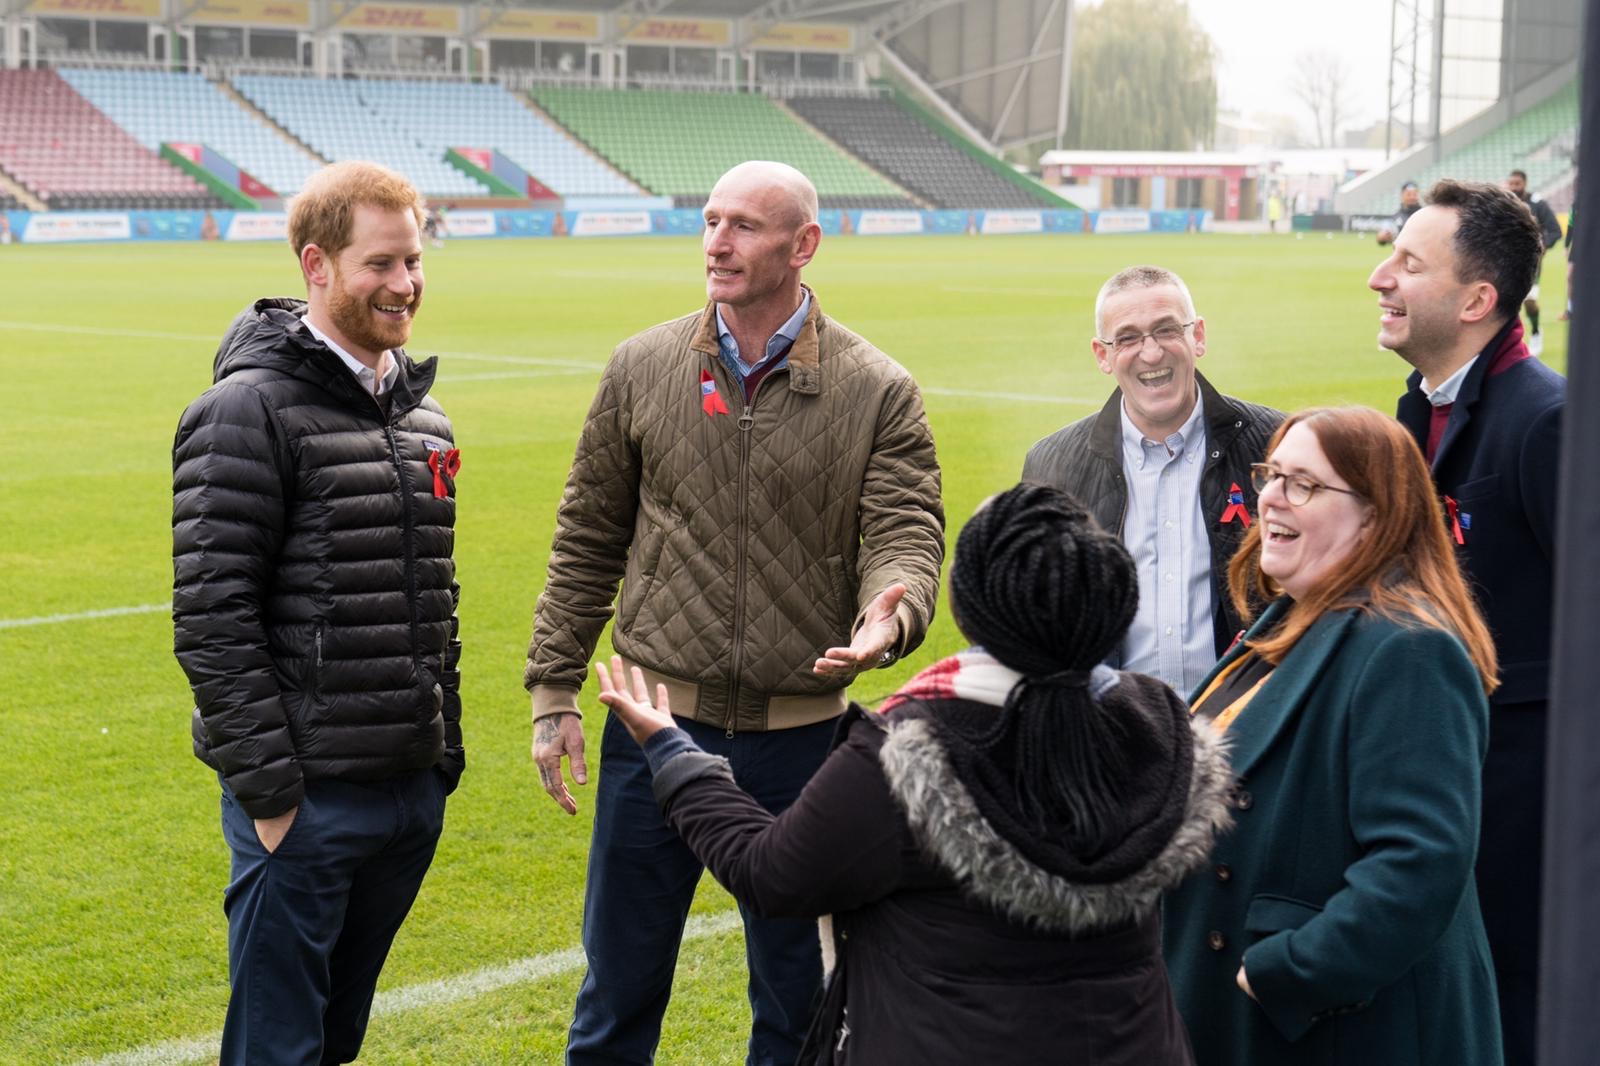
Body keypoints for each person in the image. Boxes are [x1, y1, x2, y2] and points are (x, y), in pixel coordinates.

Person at [524, 159, 945, 1065]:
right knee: (618, 990)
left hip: (804, 746)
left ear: (805, 245)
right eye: (711, 220)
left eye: (746, 225)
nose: (718, 241)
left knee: (798, 1003)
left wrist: (888, 617)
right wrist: (554, 687)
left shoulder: (879, 388)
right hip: (653, 727)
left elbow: (906, 533)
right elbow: (587, 536)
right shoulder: (642, 365)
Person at [595, 483, 1233, 1065]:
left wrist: (674, 755)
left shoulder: (905, 753)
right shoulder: (1157, 723)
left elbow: (770, 874)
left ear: (971, 606)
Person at [171, 161, 462, 1066]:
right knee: (276, 1049)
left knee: (334, 1042)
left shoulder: (425, 421)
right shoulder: (243, 412)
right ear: (317, 265)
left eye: (413, 260)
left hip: (404, 793)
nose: (404, 284)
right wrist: (272, 800)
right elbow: (213, 616)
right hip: (305, 803)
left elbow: (429, 601)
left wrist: (438, 763)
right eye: (380, 264)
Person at [1164, 406, 1503, 1066]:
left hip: (1341, 1030)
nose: (1269, 497)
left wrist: (1285, 971)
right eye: (1272, 475)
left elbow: (1418, 864)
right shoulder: (1289, 618)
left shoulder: (1408, 648)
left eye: (1304, 485)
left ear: (1375, 516)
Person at [1370, 177, 1563, 1066]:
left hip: (1525, 818)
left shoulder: (1546, 423)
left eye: (1409, 264)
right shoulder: (1418, 411)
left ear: (1479, 300)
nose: (1381, 278)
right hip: (1446, 791)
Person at [1022, 265, 1282, 696]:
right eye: (1127, 338)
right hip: (1115, 737)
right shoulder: (1051, 465)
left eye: (1166, 330)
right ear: (1102, 355)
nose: (1151, 352)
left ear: (1197, 336)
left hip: (1244, 728)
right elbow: (1036, 616)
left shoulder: (1275, 447)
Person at [1506, 168, 1562, 356]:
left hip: (1530, 262)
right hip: (1505, 261)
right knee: (1506, 304)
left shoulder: (1537, 204)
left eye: (1517, 184)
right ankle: (1509, 343)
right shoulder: (1504, 204)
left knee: (1530, 301)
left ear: (1525, 184)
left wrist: (1542, 247)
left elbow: (1555, 230)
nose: (1514, 188)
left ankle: (1536, 332)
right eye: (1511, 184)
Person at [1374, 180, 1421, 246]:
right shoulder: (1394, 218)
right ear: (1402, 195)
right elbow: (1382, 240)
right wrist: (1382, 237)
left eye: (1415, 194)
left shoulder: (1425, 214)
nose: (1412, 197)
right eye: (1409, 194)